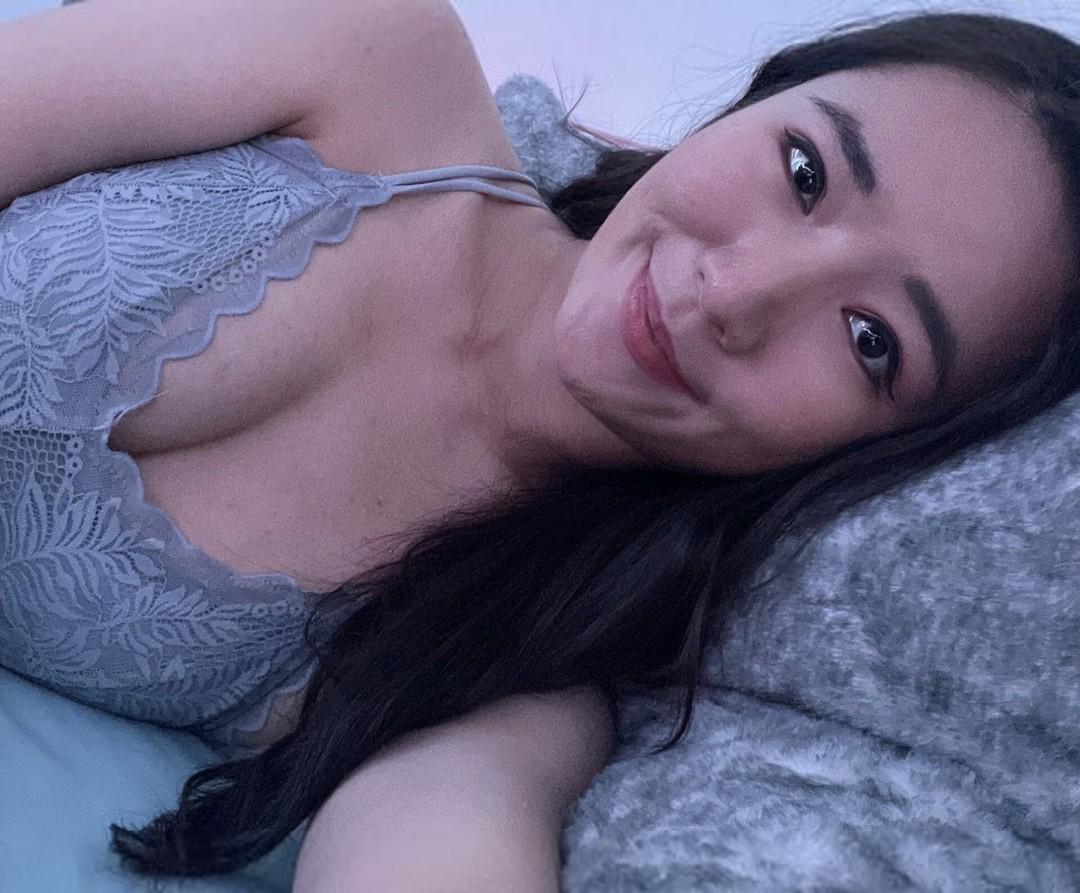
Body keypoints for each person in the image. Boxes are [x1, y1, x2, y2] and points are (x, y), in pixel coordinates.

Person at [3, 0, 1080, 887]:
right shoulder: (378, 59)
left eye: (869, 339)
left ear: (890, 465)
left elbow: (433, 840)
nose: (739, 294)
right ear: (758, 99)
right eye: (805, 171)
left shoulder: (510, 668)